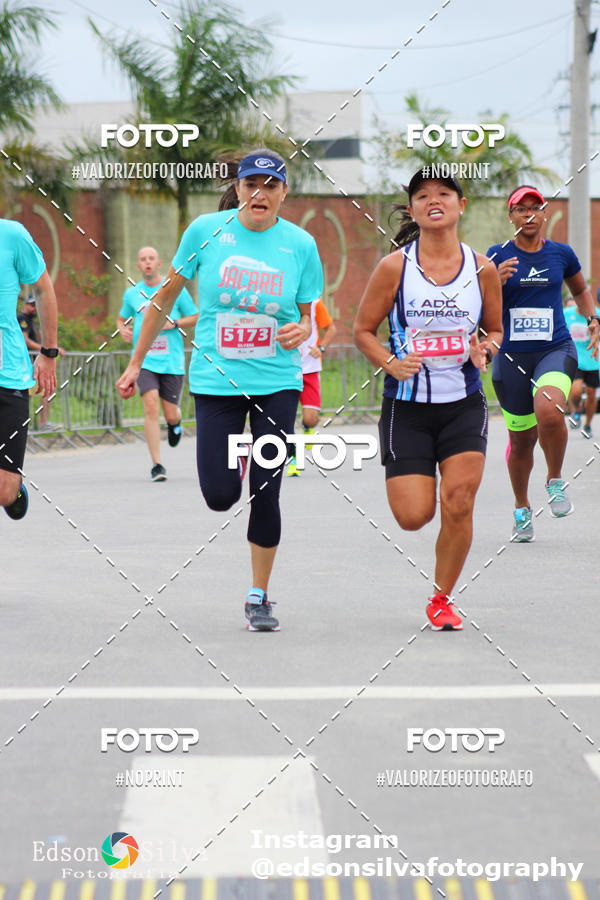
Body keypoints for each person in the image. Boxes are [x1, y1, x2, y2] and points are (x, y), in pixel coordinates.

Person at [117, 150, 323, 631]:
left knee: (266, 490)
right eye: (252, 183)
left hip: (276, 381)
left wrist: (302, 329)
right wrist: (134, 361)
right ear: (239, 187)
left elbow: (308, 313)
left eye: (271, 186)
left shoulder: (300, 244)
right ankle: (239, 460)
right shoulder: (205, 231)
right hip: (216, 382)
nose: (261, 193)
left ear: (283, 193)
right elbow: (163, 298)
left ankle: (259, 596)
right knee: (219, 494)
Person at [354, 171, 502, 631]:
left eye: (442, 194)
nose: (432, 201)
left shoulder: (483, 269)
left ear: (461, 205)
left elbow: (495, 329)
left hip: (463, 402)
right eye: (422, 196)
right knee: (413, 516)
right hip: (408, 408)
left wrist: (486, 349)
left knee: (459, 500)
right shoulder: (395, 267)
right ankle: (424, 518)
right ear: (414, 210)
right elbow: (361, 331)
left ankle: (442, 598)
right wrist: (388, 362)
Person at [487, 186, 599, 542]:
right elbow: (479, 304)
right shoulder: (496, 255)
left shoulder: (561, 254)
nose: (529, 214)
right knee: (521, 443)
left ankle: (554, 479)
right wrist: (494, 282)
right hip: (511, 357)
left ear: (545, 213)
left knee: (550, 410)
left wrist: (593, 318)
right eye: (522, 209)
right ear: (511, 216)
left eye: (536, 208)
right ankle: (522, 507)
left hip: (554, 347)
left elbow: (580, 291)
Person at [117, 246, 198, 482]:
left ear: (159, 263)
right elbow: (121, 318)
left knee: (170, 413)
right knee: (150, 407)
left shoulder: (174, 291)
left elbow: (195, 316)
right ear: (139, 265)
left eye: (151, 258)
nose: (147, 262)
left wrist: (174, 324)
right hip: (145, 361)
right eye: (143, 259)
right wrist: (122, 329)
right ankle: (157, 464)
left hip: (171, 361)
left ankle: (175, 423)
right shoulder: (132, 294)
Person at [0, 219, 59, 520]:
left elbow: (44, 288)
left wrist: (48, 352)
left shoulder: (11, 235)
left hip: (6, 373)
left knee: (5, 492)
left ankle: (14, 486)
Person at [287, 297, 337, 476]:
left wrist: (321, 347)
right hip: (285, 370)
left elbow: (331, 328)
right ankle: (293, 460)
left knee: (310, 418)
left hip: (309, 368)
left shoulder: (315, 303)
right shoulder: (279, 299)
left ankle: (308, 428)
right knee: (285, 421)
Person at [17, 294, 64, 430]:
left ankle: (42, 423)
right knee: (27, 395)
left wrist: (51, 346)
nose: (34, 309)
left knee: (47, 389)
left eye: (36, 306)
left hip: (34, 363)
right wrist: (46, 350)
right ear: (27, 305)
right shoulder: (22, 319)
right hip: (26, 364)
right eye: (32, 305)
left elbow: (38, 338)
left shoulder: (31, 321)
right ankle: (25, 425)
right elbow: (25, 340)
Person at [564, 298, 600, 438]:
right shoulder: (566, 313)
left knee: (591, 394)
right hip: (574, 358)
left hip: (592, 359)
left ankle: (588, 425)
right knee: (576, 390)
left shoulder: (596, 314)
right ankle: (576, 411)